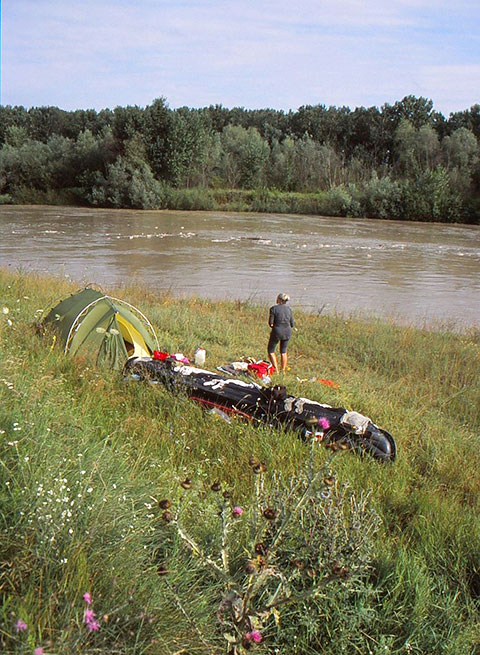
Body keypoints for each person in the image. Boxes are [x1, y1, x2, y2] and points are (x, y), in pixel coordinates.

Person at [267, 293, 295, 374]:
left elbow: (271, 323)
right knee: (283, 351)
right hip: (287, 332)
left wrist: (275, 327)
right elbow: (292, 323)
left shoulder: (273, 309)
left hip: (277, 331)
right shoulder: (289, 309)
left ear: (279, 299)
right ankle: (283, 371)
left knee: (271, 350)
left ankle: (276, 370)